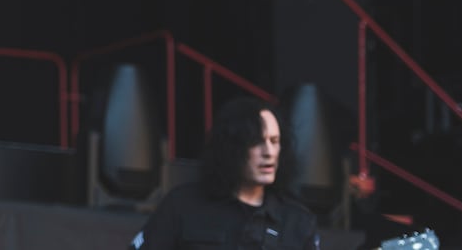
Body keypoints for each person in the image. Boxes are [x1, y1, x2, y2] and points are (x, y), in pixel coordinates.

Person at [128, 96, 321, 250]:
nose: (268, 152)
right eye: (256, 141)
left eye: (274, 140)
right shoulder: (182, 205)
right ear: (231, 146)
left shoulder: (298, 221)